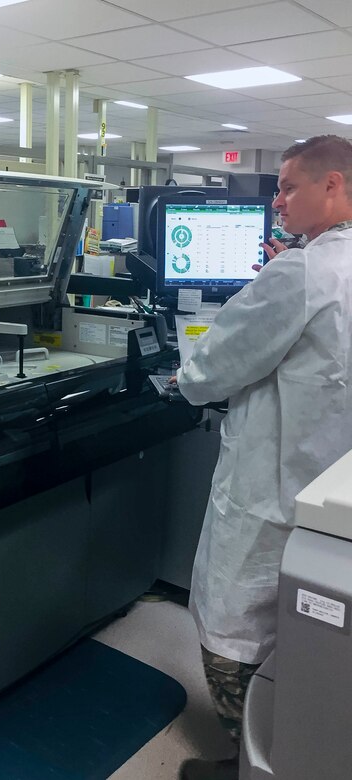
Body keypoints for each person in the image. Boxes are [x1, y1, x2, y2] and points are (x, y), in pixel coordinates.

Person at [175, 135, 352, 780]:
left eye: (287, 188)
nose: (277, 202)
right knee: (307, 636)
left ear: (332, 185)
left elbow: (211, 368)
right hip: (330, 494)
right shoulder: (323, 267)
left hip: (270, 490)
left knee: (234, 630)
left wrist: (183, 376)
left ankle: (251, 760)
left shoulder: (301, 272)